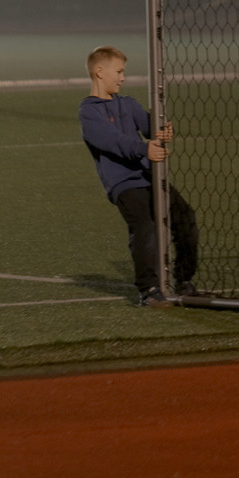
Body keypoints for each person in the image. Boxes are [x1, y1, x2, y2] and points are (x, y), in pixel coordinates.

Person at [79, 45, 199, 307]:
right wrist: (144, 148)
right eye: (119, 72)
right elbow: (112, 141)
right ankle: (149, 290)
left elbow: (150, 127)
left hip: (151, 177)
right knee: (145, 228)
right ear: (100, 72)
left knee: (185, 218)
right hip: (124, 184)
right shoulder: (89, 111)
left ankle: (184, 280)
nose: (122, 77)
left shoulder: (128, 103)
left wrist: (163, 131)